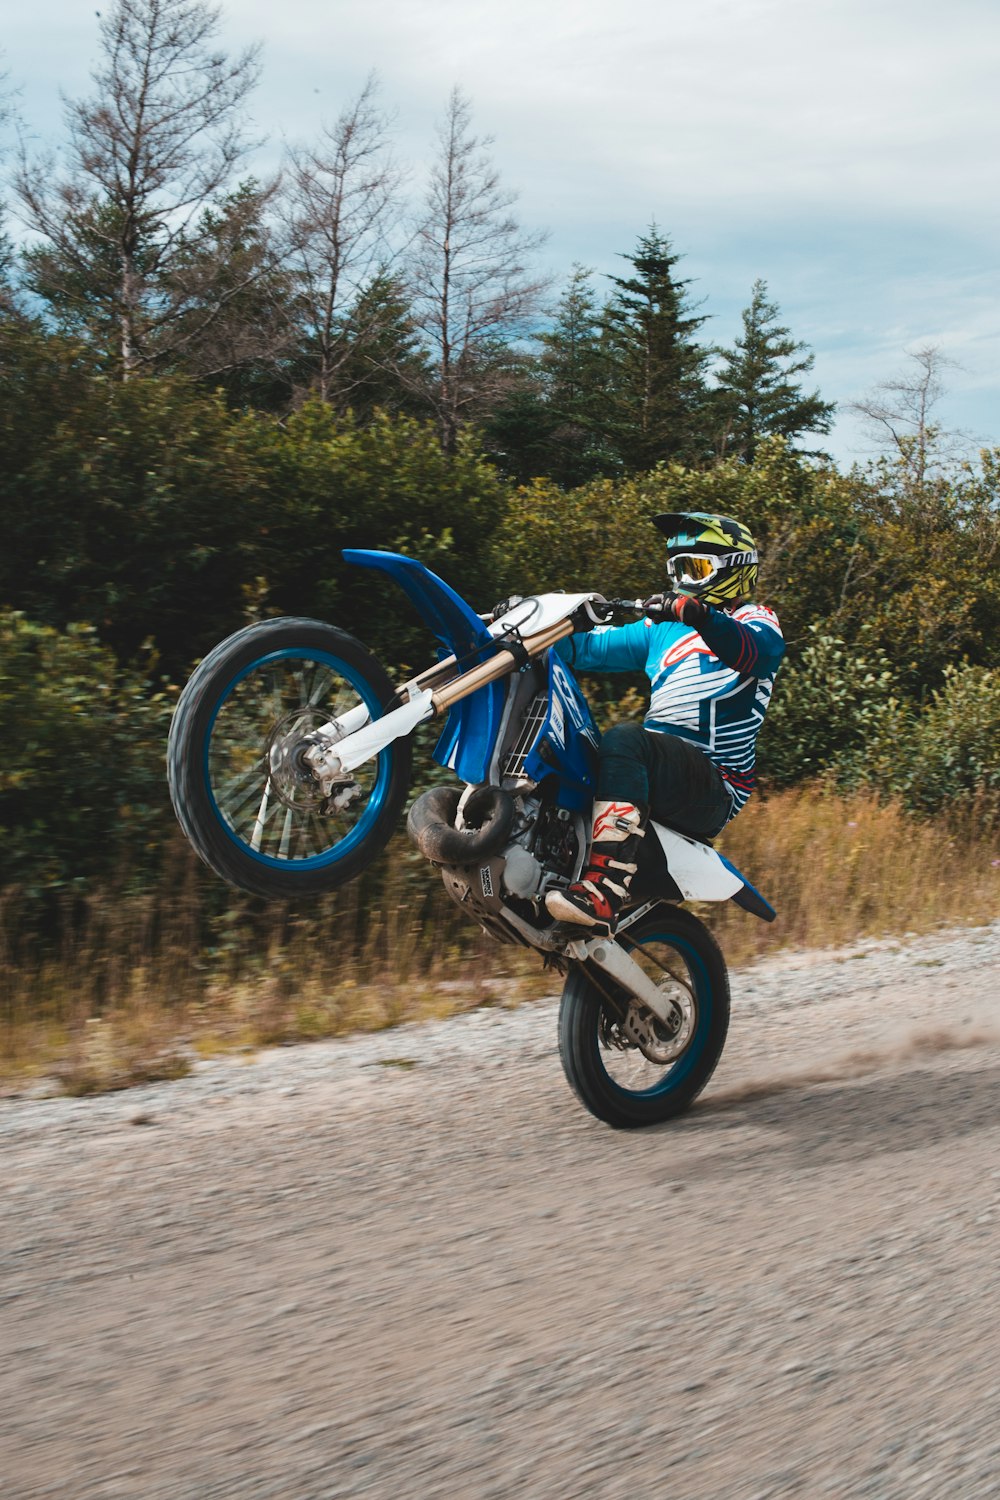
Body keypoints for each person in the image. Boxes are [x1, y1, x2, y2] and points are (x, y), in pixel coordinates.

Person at [545, 511, 784, 932]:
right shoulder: (659, 630)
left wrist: (700, 616)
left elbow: (759, 654)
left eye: (695, 568)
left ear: (735, 569)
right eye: (676, 568)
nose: (682, 581)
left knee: (626, 738)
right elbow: (582, 651)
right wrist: (526, 624)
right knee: (572, 750)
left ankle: (605, 888)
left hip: (714, 783)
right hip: (660, 772)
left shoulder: (754, 619)